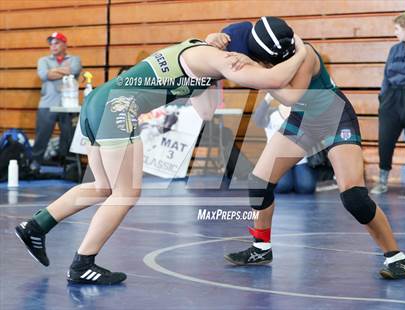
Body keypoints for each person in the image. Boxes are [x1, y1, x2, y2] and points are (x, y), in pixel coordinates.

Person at [15, 32, 308, 285]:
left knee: (102, 186)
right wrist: (302, 52)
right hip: (118, 105)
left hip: (99, 101)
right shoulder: (216, 57)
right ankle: (82, 264)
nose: (247, 68)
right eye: (251, 61)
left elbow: (205, 113)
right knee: (126, 193)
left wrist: (215, 77)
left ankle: (35, 227)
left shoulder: (207, 61)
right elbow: (273, 79)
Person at [206, 17, 405, 279]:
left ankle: (397, 258)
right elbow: (223, 38)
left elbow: (291, 96)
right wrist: (211, 38)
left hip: (334, 117)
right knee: (259, 181)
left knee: (354, 197)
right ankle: (261, 247)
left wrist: (257, 73)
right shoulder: (252, 36)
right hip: (304, 118)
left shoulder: (306, 56)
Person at [370, 12, 405, 197]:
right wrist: (383, 98)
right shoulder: (394, 50)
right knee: (385, 141)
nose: (394, 33)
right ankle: (382, 181)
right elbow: (387, 75)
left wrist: (404, 75)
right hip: (391, 99)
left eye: (397, 29)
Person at [30, 32, 82, 171]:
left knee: (68, 136)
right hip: (47, 104)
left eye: (57, 43)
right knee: (42, 135)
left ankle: (68, 166)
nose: (53, 46)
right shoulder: (43, 60)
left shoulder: (75, 59)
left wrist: (53, 71)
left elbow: (74, 69)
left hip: (68, 106)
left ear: (65, 44)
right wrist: (64, 71)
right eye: (51, 43)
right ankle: (34, 164)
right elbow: (44, 75)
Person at [252, 94, 317, 194]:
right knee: (283, 186)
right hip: (277, 161)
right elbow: (257, 120)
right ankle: (289, 180)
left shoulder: (301, 113)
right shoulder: (271, 114)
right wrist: (267, 99)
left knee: (307, 187)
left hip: (299, 160)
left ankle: (294, 179)